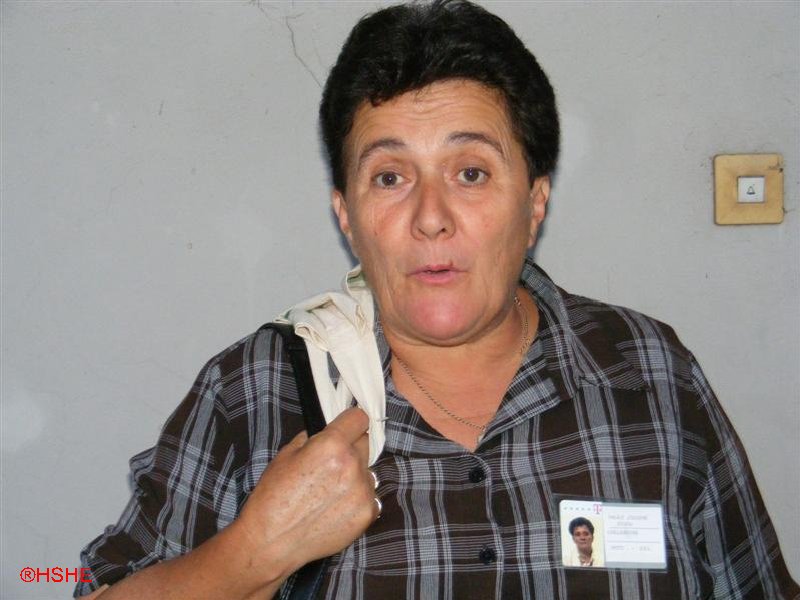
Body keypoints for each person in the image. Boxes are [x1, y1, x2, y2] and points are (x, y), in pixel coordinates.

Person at [75, 1, 799, 598]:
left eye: (471, 173)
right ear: (346, 214)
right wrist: (252, 552)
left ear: (534, 203)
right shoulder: (256, 391)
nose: (430, 217)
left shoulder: (648, 372)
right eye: (390, 177)